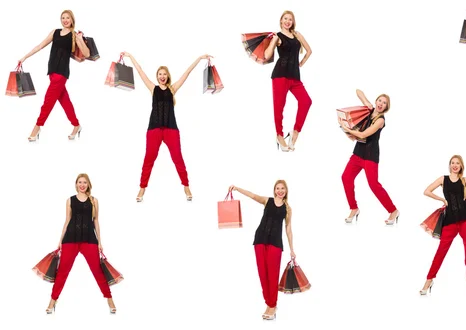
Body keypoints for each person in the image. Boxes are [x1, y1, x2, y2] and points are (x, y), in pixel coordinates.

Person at [120, 52, 213, 202]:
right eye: (159, 74)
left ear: (167, 76)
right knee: (149, 159)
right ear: (157, 77)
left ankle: (186, 185)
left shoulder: (172, 89)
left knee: (178, 158)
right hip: (154, 129)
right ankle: (142, 187)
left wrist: (199, 58)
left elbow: (187, 73)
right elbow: (140, 71)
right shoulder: (153, 88)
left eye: (164, 74)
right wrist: (130, 57)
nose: (162, 76)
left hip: (171, 129)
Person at [46, 174, 116, 314]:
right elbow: (67, 221)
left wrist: (100, 242)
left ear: (88, 184)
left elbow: (96, 221)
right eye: (80, 182)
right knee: (62, 272)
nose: (82, 185)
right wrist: (60, 240)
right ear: (76, 184)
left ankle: (109, 299)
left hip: (89, 239)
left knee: (97, 271)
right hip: (70, 240)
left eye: (85, 182)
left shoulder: (94, 200)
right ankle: (52, 301)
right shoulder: (70, 200)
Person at [420, 155, 466, 296]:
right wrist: (442, 200)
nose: (455, 165)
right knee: (441, 251)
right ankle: (429, 280)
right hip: (450, 219)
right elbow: (426, 191)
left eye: (458, 163)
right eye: (453, 163)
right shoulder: (442, 179)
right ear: (449, 165)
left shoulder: (464, 180)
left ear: (461, 166)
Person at [228, 181, 296, 320]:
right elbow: (253, 195)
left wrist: (292, 249)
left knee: (272, 275)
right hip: (260, 240)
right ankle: (269, 304)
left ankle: (273, 305)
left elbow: (288, 230)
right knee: (262, 274)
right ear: (274, 190)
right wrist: (237, 188)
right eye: (278, 188)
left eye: (282, 188)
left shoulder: (288, 209)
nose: (280, 191)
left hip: (275, 244)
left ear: (286, 190)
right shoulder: (267, 201)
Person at [19, 10, 89, 142]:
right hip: (51, 71)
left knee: (48, 101)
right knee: (65, 101)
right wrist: (25, 57)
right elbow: (40, 46)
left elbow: (86, 54)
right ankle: (76, 125)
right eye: (63, 18)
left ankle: (37, 127)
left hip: (61, 73)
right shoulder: (55, 32)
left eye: (68, 18)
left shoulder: (74, 36)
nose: (65, 20)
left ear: (72, 20)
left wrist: (80, 39)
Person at [339, 89, 399, 225]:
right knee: (346, 177)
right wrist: (366, 102)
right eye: (380, 100)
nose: (381, 104)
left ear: (386, 107)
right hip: (358, 153)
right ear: (376, 101)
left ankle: (393, 211)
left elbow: (363, 135)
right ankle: (354, 208)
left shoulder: (381, 121)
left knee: (374, 185)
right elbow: (357, 91)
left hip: (370, 156)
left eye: (384, 103)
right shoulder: (369, 111)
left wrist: (346, 128)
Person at [264, 10, 313, 152]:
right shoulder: (278, 37)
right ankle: (279, 135)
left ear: (293, 22)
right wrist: (273, 41)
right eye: (285, 19)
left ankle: (295, 132)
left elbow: (309, 50)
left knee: (306, 101)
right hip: (280, 75)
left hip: (295, 76)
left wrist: (301, 63)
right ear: (281, 21)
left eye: (290, 19)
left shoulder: (297, 35)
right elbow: (267, 55)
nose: (287, 21)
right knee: (279, 107)